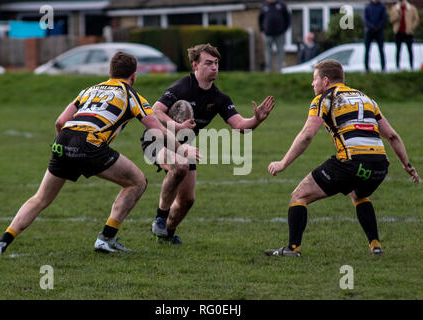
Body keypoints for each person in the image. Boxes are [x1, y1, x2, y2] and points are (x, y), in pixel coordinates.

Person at [0, 51, 196, 256]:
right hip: (90, 143)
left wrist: (69, 149)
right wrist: (182, 148)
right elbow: (156, 131)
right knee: (137, 182)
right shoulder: (132, 95)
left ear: (110, 72)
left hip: (63, 140)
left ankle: (1, 244)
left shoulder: (89, 90)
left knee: (40, 198)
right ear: (134, 76)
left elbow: (60, 122)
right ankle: (106, 238)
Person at [265, 59, 419, 257]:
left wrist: (283, 163)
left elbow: (306, 135)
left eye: (315, 79)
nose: (313, 84)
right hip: (379, 167)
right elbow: (392, 136)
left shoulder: (324, 98)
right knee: (358, 194)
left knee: (299, 195)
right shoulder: (367, 99)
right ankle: (375, 246)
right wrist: (407, 165)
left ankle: (292, 249)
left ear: (326, 81)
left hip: (351, 163)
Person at [141, 43, 275, 245]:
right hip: (157, 139)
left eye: (216, 63)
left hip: (185, 145)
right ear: (195, 65)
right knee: (180, 167)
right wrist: (176, 126)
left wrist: (257, 119)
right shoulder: (182, 87)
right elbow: (156, 112)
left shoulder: (219, 98)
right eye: (208, 63)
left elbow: (240, 125)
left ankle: (166, 233)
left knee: (187, 200)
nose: (214, 67)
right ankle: (160, 217)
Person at [258, 0, 290, 72]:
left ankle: (280, 70)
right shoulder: (264, 5)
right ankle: (268, 70)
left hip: (280, 33)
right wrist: (262, 30)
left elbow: (287, 17)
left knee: (280, 51)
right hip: (267, 34)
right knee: (268, 52)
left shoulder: (281, 5)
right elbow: (260, 19)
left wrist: (285, 29)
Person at [390, 0, 420, 70]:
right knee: (398, 50)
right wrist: (397, 15)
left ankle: (411, 67)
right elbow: (391, 20)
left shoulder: (411, 8)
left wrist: (411, 27)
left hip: (408, 32)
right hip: (398, 32)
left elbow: (416, 19)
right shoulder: (395, 8)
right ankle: (397, 67)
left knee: (410, 50)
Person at [364, 0, 387, 72]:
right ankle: (366, 68)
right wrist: (371, 27)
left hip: (379, 31)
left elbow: (384, 19)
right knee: (367, 50)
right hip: (369, 31)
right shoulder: (367, 7)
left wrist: (378, 27)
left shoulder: (382, 7)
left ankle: (383, 68)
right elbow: (365, 19)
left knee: (381, 50)